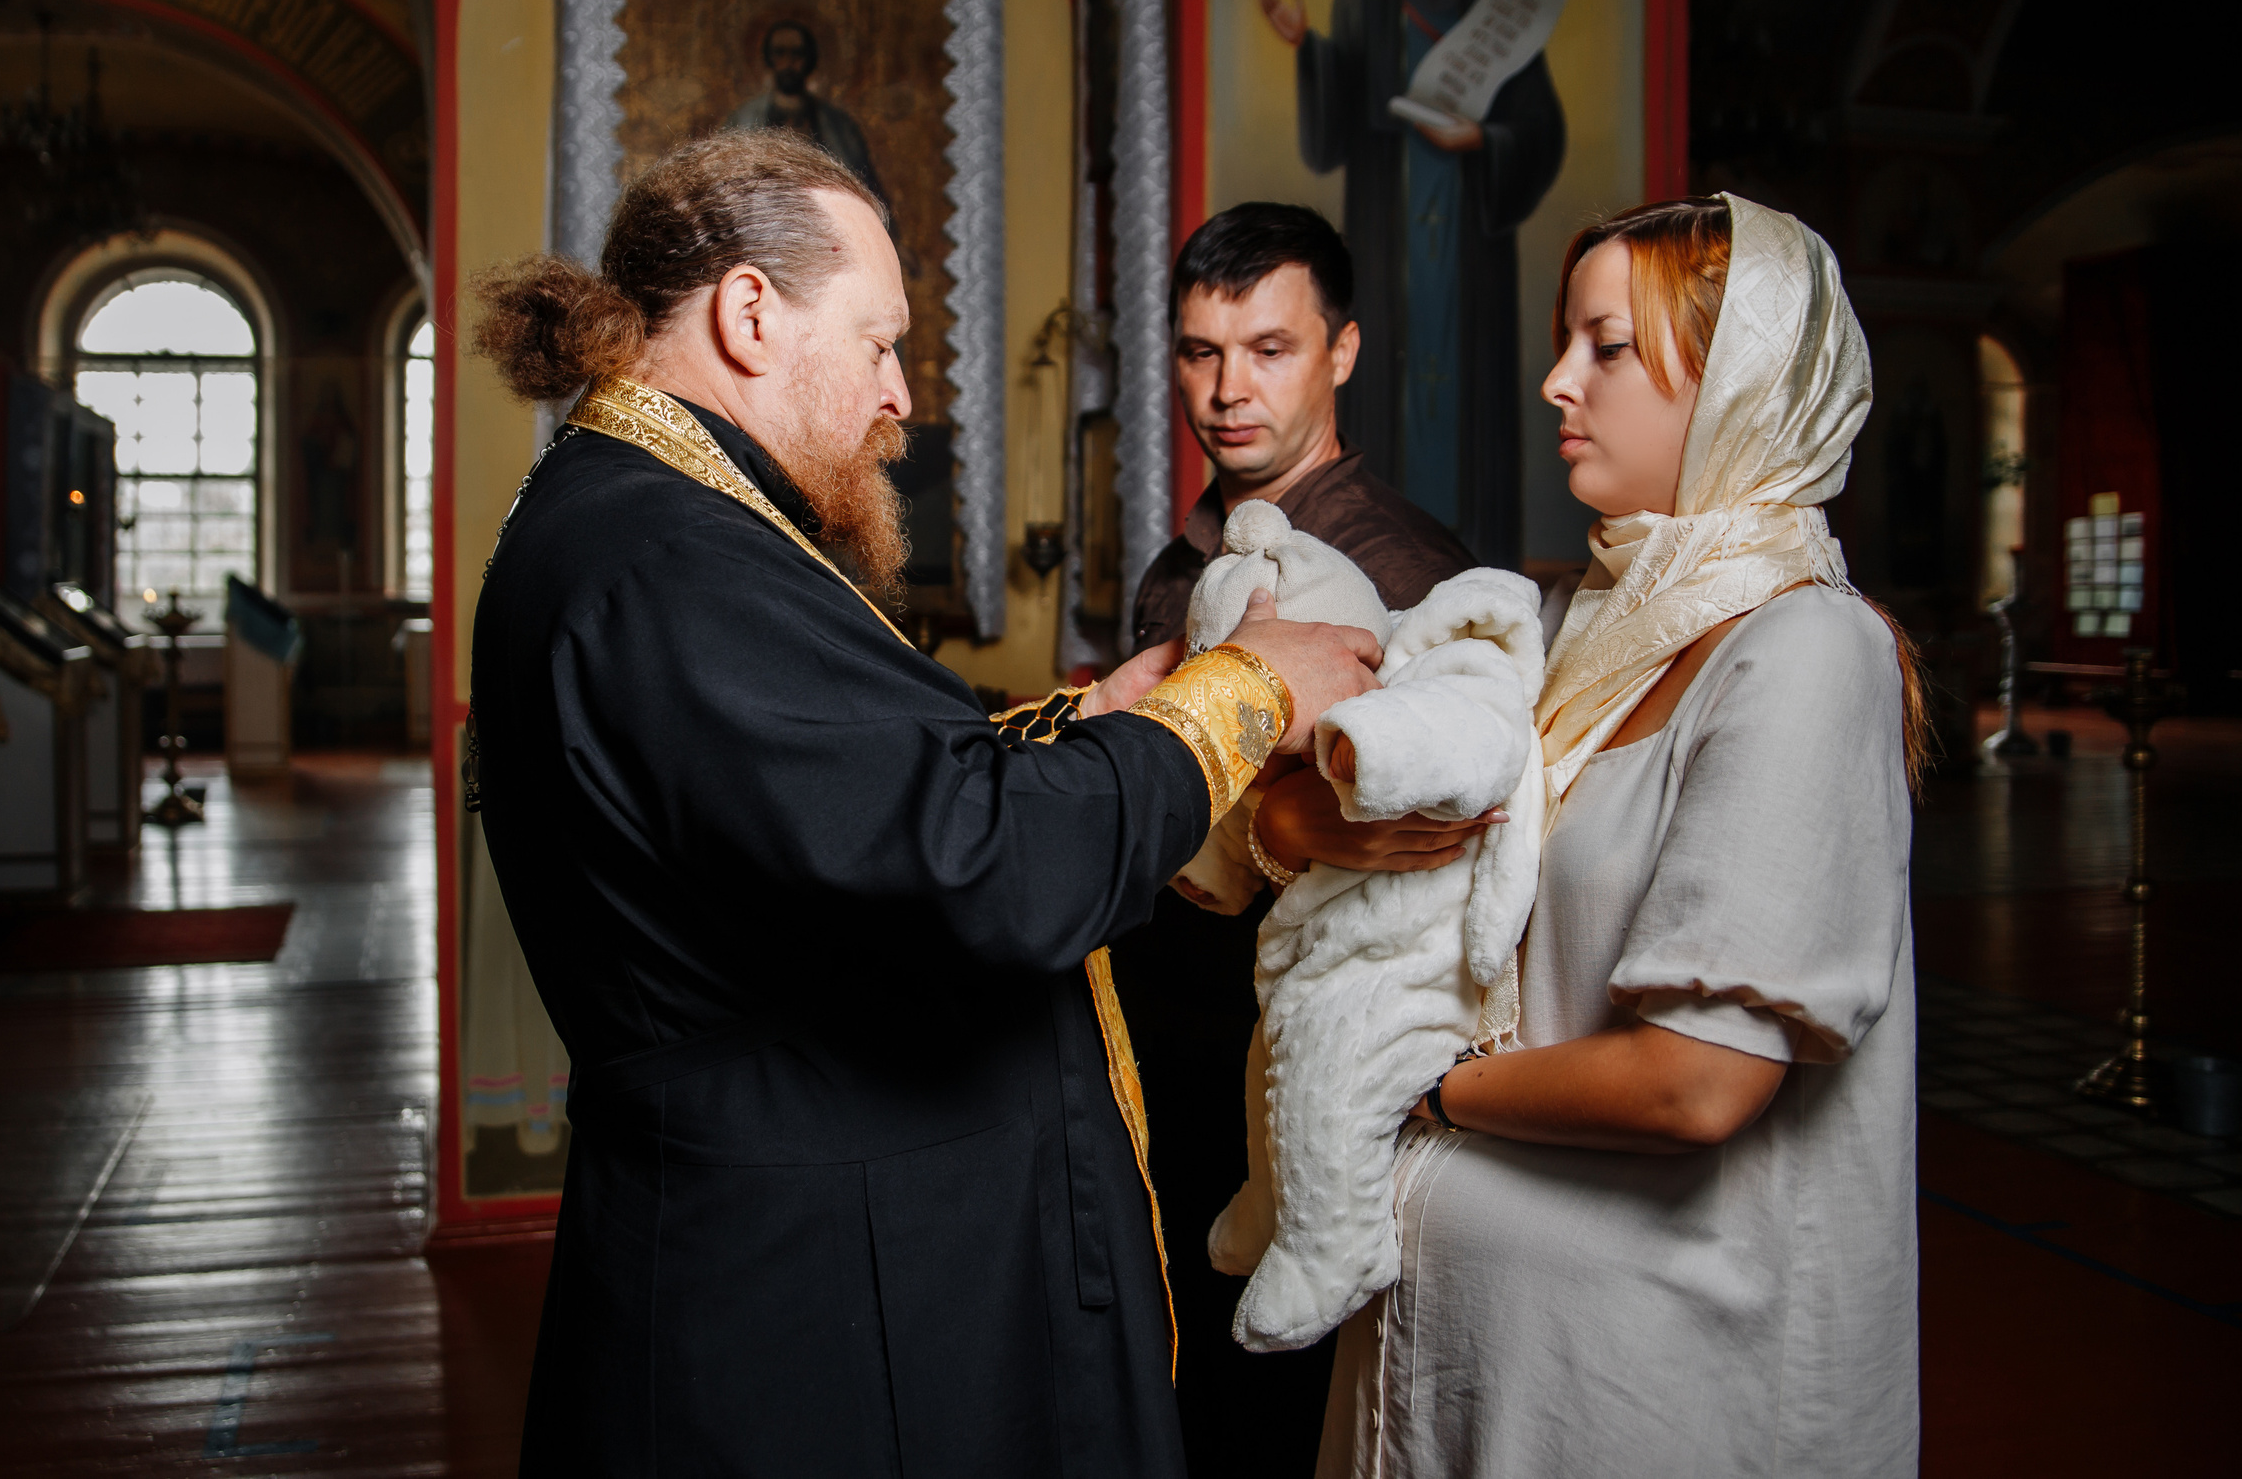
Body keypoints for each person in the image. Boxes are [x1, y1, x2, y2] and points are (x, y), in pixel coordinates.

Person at [467, 130, 1384, 1477]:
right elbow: (980, 861)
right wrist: (1245, 690)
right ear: (750, 313)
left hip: (814, 1240)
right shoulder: (668, 551)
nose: (900, 393)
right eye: (881, 340)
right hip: (814, 1292)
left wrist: (1087, 724)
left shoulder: (659, 516)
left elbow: (842, 785)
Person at [1319, 193, 1925, 1476]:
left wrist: (1417, 1085)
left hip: (1660, 1388)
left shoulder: (1804, 652)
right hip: (1487, 1358)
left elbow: (1694, 1082)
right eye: (1562, 341)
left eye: (1606, 346)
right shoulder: (1567, 615)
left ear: (1737, 383)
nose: (1555, 382)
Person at [1113, 201, 1478, 1477]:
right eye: (1200, 352)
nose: (1226, 390)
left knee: (1283, 1395)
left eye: (1269, 349)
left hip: (1299, 1063)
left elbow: (1447, 832)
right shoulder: (1188, 553)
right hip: (1172, 1029)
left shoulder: (1401, 565)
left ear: (1343, 352)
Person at [1258, 0, 1566, 567]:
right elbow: (1339, 122)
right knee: (1387, 382)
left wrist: (1486, 140)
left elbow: (1540, 127)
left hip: (1467, 246)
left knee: (1463, 394)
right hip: (1390, 232)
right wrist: (1311, 51)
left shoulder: (1504, 4)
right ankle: (1378, 559)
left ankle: (1474, 558)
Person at [725, 19, 889, 204]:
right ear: (769, 58)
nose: (789, 62)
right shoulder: (744, 118)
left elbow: (862, 185)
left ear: (809, 59)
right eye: (780, 53)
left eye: (797, 54)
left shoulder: (839, 125)